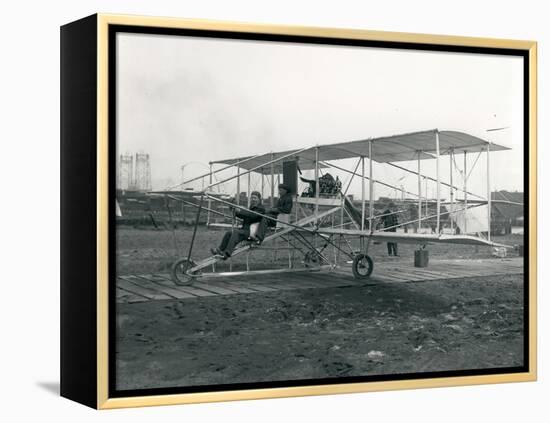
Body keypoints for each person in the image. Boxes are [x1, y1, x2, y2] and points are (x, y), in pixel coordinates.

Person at [210, 191, 265, 259]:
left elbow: (252, 215)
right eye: (252, 198)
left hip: (253, 233)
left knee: (236, 232)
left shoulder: (261, 209)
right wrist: (235, 211)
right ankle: (220, 250)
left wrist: (240, 210)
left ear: (259, 199)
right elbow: (245, 216)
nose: (253, 199)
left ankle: (227, 253)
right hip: (246, 230)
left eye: (255, 198)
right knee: (229, 233)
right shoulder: (252, 207)